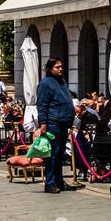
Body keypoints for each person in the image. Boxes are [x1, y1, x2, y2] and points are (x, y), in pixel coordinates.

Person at [34, 58, 75, 193]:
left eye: (61, 66)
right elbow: (42, 105)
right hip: (53, 123)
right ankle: (50, 183)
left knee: (60, 154)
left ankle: (59, 181)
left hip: (63, 123)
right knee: (52, 154)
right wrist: (43, 124)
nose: (61, 69)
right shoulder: (45, 84)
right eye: (57, 67)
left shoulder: (62, 82)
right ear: (49, 69)